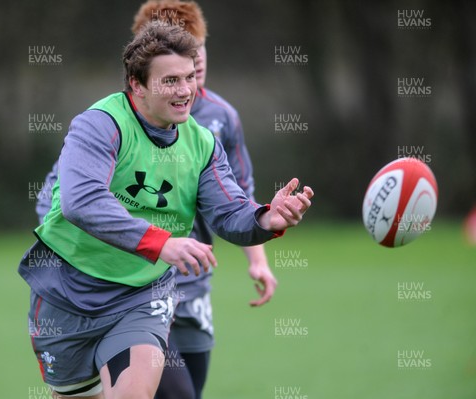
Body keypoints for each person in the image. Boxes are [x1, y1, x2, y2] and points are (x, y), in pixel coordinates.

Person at [21, 22, 313, 399]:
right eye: (171, 80)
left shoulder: (202, 142)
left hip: (142, 293)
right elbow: (83, 202)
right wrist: (161, 244)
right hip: (66, 291)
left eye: (190, 78)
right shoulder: (100, 125)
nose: (186, 90)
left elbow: (229, 212)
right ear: (137, 84)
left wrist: (265, 219)